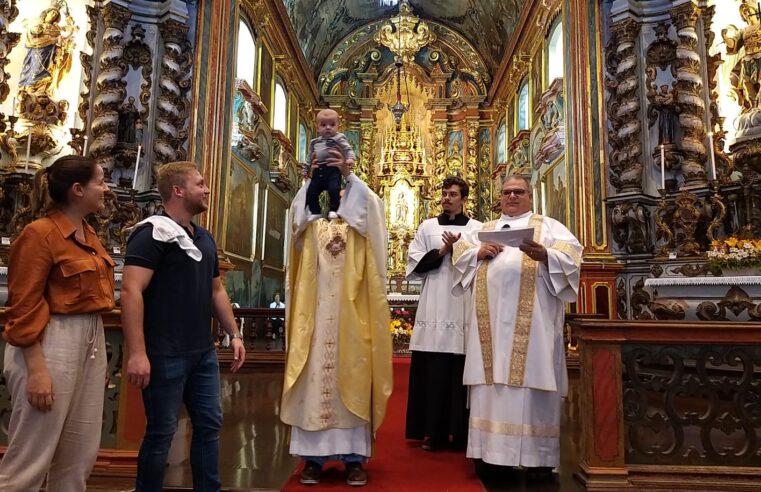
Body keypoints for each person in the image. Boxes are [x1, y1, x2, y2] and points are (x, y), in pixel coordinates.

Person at [121, 161, 246, 492]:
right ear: (177, 190)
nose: (207, 189)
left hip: (201, 351)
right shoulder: (151, 234)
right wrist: (137, 352)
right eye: (200, 184)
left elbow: (216, 289)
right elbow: (131, 290)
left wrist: (234, 334)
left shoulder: (203, 237)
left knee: (209, 425)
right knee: (161, 431)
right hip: (164, 352)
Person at [452, 175, 582, 481]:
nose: (512, 197)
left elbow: (573, 258)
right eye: (507, 192)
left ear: (529, 195)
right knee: (490, 386)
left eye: (518, 192)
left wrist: (545, 255)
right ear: (500, 197)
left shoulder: (548, 227)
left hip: (533, 331)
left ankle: (537, 460)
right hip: (491, 334)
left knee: (531, 386)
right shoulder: (484, 230)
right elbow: (460, 257)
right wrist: (477, 253)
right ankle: (491, 458)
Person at [0, 155, 114, 491]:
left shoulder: (88, 233)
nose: (106, 189)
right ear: (78, 190)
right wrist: (37, 370)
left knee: (79, 456)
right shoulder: (40, 234)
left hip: (89, 339)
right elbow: (23, 307)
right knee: (30, 459)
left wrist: (95, 357)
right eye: (100, 181)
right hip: (50, 342)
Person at [281, 147, 392, 487]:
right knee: (311, 380)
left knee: (354, 377)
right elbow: (297, 221)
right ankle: (312, 460)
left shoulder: (361, 220)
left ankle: (354, 460)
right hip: (313, 317)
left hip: (352, 315)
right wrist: (311, 180)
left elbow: (371, 214)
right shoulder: (312, 221)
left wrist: (350, 175)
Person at [404, 176, 482, 452]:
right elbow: (415, 263)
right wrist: (443, 250)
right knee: (433, 368)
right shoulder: (428, 227)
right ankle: (431, 431)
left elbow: (484, 262)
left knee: (460, 369)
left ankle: (461, 432)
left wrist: (461, 249)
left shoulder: (478, 228)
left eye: (453, 194)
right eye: (444, 193)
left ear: (464, 198)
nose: (447, 198)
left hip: (463, 305)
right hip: (434, 303)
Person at [305, 109, 356, 220]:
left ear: (338, 126)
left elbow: (347, 149)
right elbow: (310, 157)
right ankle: (315, 212)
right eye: (323, 125)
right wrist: (306, 169)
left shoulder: (339, 138)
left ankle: (334, 209)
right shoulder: (314, 142)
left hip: (333, 170)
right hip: (318, 169)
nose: (328, 127)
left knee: (334, 190)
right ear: (317, 127)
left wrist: (350, 159)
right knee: (311, 191)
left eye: (332, 125)